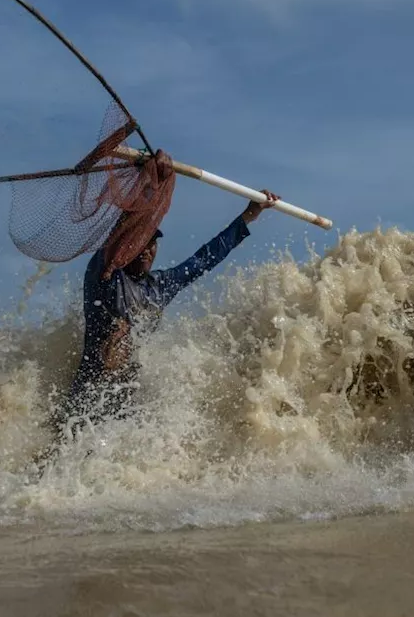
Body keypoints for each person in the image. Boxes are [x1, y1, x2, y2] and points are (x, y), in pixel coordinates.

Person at [49, 179, 281, 442]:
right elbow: (112, 245)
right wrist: (147, 188)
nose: (148, 250)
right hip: (86, 401)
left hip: (125, 404)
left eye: (153, 244)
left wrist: (249, 216)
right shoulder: (106, 278)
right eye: (141, 243)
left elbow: (205, 258)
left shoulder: (160, 286)